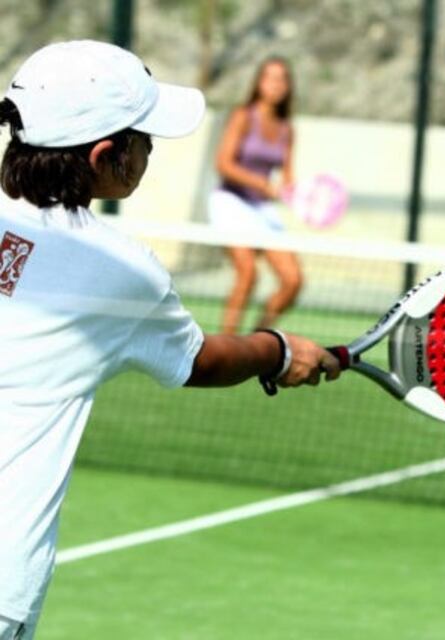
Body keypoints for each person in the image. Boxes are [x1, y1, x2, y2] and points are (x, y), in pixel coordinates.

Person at [0, 41, 341, 639]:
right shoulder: (120, 271)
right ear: (106, 156)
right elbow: (202, 360)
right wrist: (280, 349)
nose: (151, 150)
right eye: (145, 139)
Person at [209, 57, 302, 335]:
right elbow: (223, 163)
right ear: (259, 82)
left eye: (282, 79)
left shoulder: (288, 129)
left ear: (288, 87)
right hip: (230, 202)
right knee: (248, 274)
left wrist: (302, 198)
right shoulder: (242, 116)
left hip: (262, 208)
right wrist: (259, 182)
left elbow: (287, 179)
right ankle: (227, 345)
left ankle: (256, 341)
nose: (275, 85)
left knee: (293, 280)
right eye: (270, 77)